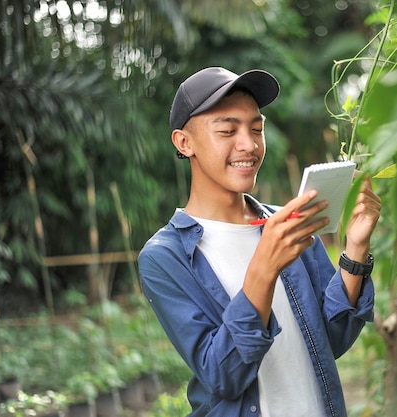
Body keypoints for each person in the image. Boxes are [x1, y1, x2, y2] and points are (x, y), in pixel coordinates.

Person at [138, 66, 381, 417]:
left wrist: (356, 249)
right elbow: (222, 375)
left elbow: (331, 341)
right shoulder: (165, 257)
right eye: (227, 130)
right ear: (184, 142)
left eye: (256, 129)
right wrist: (263, 269)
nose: (249, 145)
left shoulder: (287, 223)